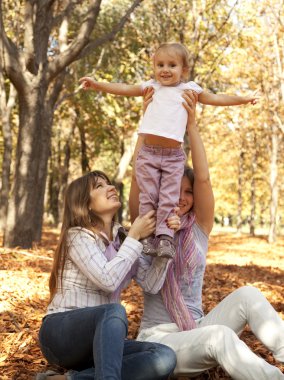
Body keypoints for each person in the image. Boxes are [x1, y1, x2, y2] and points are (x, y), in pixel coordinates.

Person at [131, 90, 284, 379]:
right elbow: (139, 174)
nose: (181, 198)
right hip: (159, 341)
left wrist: (191, 124)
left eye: (187, 192)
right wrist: (148, 122)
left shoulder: (198, 228)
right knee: (220, 336)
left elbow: (203, 177)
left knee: (249, 294)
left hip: (196, 328)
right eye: (174, 190)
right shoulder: (148, 223)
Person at [79, 42, 258, 260]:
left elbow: (216, 98)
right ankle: (146, 238)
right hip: (149, 152)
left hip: (173, 156)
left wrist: (244, 99)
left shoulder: (188, 90)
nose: (165, 69)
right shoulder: (151, 87)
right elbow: (124, 88)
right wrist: (97, 85)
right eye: (160, 64)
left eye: (172, 65)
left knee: (168, 197)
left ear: (184, 70)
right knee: (148, 195)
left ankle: (165, 237)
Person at [36, 170, 176, 380]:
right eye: (99, 186)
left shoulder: (122, 237)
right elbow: (108, 280)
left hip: (100, 342)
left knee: (163, 356)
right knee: (114, 311)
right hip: (60, 335)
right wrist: (136, 237)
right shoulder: (77, 236)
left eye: (109, 184)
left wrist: (166, 241)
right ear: (85, 204)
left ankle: (67, 379)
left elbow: (151, 284)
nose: (111, 188)